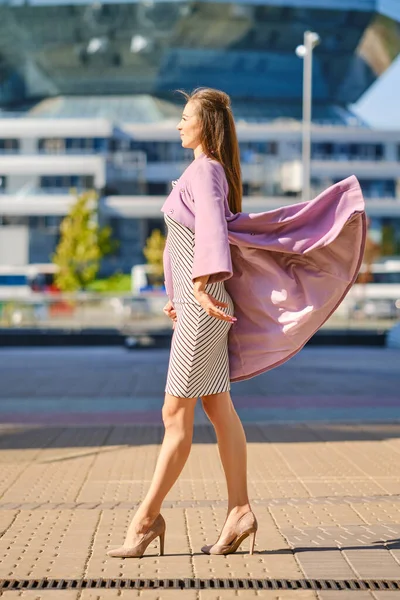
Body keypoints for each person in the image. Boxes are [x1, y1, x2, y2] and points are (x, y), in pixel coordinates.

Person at [107, 87, 366, 559]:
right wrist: (177, 294)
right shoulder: (203, 171)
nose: (179, 124)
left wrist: (202, 286)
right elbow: (188, 240)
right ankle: (239, 511)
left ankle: (147, 518)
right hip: (194, 305)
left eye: (186, 118)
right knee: (217, 409)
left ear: (205, 125)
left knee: (174, 416)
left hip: (201, 310)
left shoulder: (205, 171)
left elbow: (209, 229)